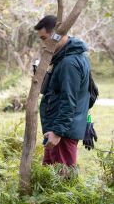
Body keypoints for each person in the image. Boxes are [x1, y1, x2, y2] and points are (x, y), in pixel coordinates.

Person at [34, 15, 90, 167]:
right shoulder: (64, 58)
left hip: (62, 133)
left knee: (62, 179)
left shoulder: (69, 63)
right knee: (49, 176)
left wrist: (57, 132)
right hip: (58, 129)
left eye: (44, 38)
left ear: (56, 35)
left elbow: (69, 100)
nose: (43, 44)